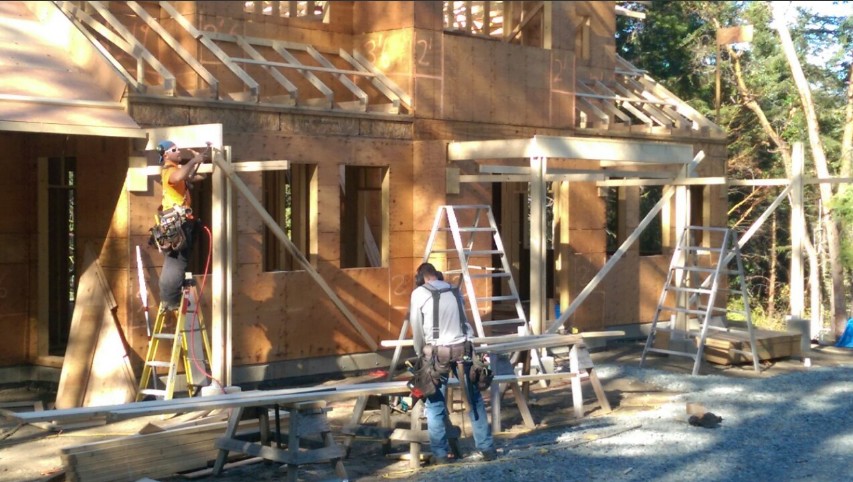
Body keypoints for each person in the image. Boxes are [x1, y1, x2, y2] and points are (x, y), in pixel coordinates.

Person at [408, 262, 497, 464]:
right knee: (474, 400)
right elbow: (464, 322)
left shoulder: (419, 293)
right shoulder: (455, 290)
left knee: (434, 403)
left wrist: (420, 352)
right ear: (436, 275)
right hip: (462, 349)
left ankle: (440, 454)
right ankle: (487, 448)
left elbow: (417, 327)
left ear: (421, 278)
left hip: (437, 353)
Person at [155, 140, 208, 310]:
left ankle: (171, 298)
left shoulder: (177, 170)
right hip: (176, 224)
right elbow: (177, 176)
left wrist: (198, 161)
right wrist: (193, 161)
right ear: (166, 155)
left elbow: (201, 176)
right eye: (174, 150)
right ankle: (171, 301)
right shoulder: (169, 171)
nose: (178, 152)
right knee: (176, 262)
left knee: (178, 261)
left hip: (179, 223)